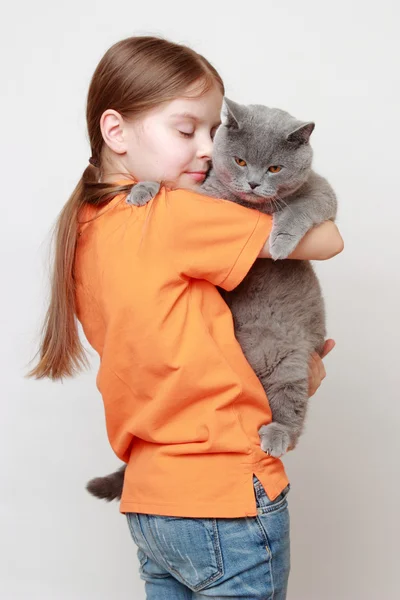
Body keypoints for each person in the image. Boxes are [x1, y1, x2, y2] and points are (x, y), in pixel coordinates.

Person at [28, 36, 343, 599]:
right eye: (185, 129)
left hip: (152, 502)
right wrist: (297, 375)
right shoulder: (175, 214)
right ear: (116, 131)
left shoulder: (85, 226)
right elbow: (328, 240)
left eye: (212, 130)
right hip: (225, 496)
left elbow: (176, 360)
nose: (206, 149)